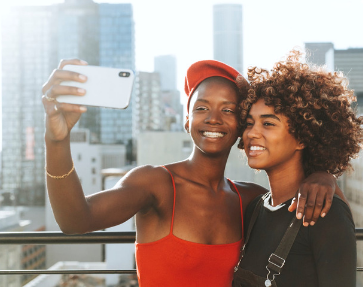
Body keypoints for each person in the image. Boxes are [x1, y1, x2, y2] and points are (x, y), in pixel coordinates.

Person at [42, 58, 343, 287]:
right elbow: (75, 220)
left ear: (241, 126)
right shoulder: (154, 183)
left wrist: (322, 175)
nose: (213, 119)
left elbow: (323, 218)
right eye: (201, 108)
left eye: (227, 110)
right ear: (186, 121)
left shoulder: (251, 200)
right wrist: (56, 140)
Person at [233, 50, 363, 287]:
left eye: (268, 123)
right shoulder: (255, 209)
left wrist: (328, 178)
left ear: (303, 138)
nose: (251, 133)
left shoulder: (325, 213)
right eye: (249, 123)